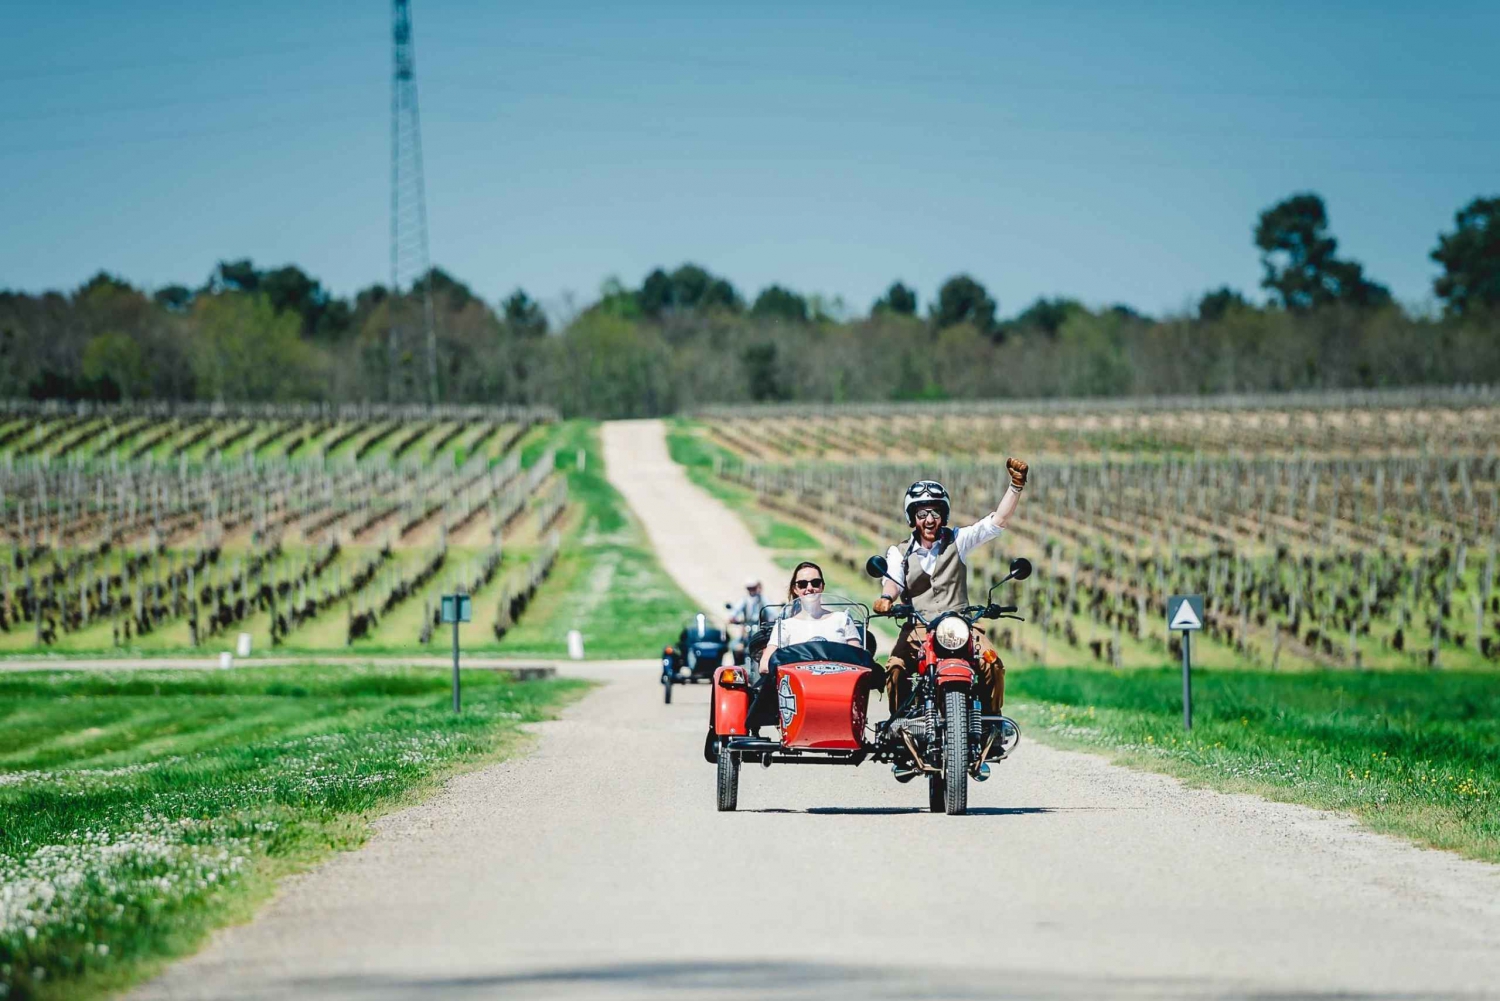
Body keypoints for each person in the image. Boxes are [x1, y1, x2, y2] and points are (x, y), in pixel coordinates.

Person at [872, 461, 1028, 721]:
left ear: (943, 514)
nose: (929, 520)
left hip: (959, 625)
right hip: (918, 627)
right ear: (912, 518)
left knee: (992, 663)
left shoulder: (959, 540)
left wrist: (1015, 486)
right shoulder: (898, 552)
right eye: (922, 514)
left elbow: (996, 522)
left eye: (935, 512)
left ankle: (992, 721)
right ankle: (898, 726)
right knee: (896, 668)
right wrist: (887, 598)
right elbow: (894, 581)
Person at [746, 561, 861, 734]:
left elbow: (859, 660)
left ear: (822, 586)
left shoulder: (841, 619)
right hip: (797, 693)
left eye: (815, 583)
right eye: (802, 584)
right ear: (795, 589)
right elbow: (764, 664)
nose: (809, 588)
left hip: (838, 691)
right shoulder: (785, 625)